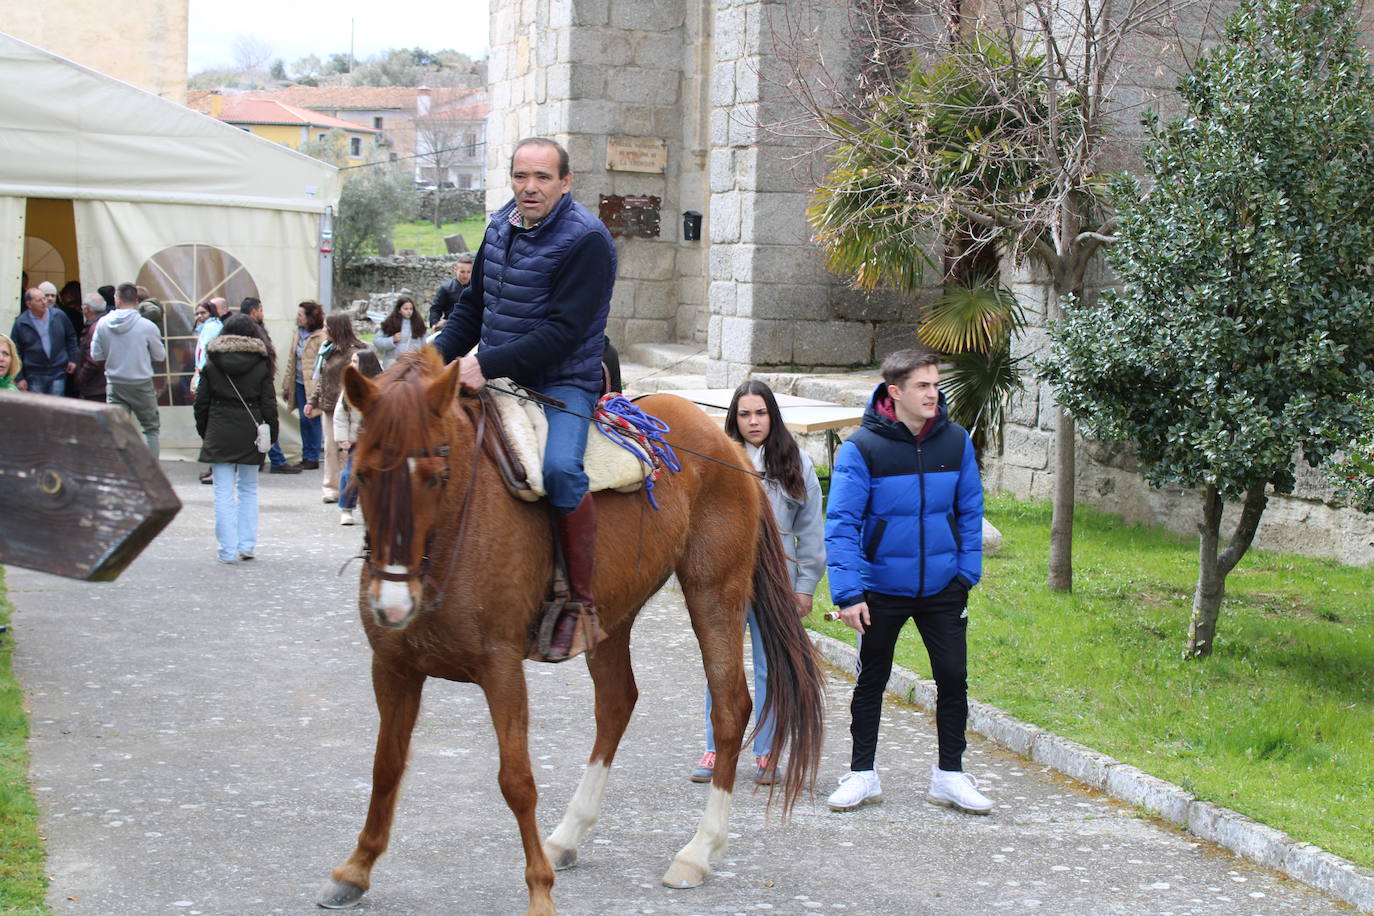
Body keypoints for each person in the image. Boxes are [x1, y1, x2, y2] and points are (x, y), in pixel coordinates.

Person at [433, 136, 617, 662]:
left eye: (541, 178)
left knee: (560, 470)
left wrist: (482, 365)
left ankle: (579, 603)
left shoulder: (588, 241)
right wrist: (432, 361)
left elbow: (562, 332)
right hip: (495, 373)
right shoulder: (498, 226)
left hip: (562, 382)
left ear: (566, 182)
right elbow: (472, 309)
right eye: (520, 176)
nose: (529, 188)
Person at [823, 348, 992, 815]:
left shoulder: (955, 441)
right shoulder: (862, 448)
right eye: (922, 385)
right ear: (894, 392)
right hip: (881, 589)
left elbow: (970, 512)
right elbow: (840, 523)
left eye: (936, 384)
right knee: (871, 680)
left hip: (943, 587)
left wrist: (965, 575)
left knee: (953, 678)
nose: (933, 393)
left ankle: (950, 776)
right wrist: (850, 593)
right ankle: (861, 775)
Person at [690, 379, 824, 786]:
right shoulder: (718, 460)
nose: (753, 422)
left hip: (775, 585)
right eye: (744, 414)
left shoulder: (794, 462)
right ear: (734, 417)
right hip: (726, 582)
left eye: (760, 413)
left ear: (773, 416)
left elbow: (811, 529)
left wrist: (805, 586)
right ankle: (716, 745)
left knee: (770, 669)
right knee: (721, 665)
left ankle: (766, 752)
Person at [195, 313, 279, 564]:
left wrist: (205, 431)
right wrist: (271, 434)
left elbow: (201, 403)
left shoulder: (212, 363)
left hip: (219, 427)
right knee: (248, 489)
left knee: (222, 491)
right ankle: (247, 545)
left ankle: (227, 550)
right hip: (251, 427)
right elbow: (269, 404)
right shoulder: (262, 364)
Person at [92, 282, 166, 454]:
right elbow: (160, 356)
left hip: (115, 383)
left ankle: (122, 473)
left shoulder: (102, 324)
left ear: (117, 299)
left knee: (117, 431)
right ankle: (150, 474)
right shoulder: (147, 326)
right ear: (136, 300)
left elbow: (96, 355)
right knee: (150, 429)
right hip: (141, 383)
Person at [308, 311, 367, 504]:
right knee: (331, 449)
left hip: (351, 409)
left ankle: (352, 489)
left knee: (351, 450)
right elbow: (323, 379)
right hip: (329, 406)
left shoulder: (356, 352)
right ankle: (331, 488)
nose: (324, 330)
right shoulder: (327, 350)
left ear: (336, 328)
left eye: (327, 326)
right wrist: (312, 401)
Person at [334, 349, 383, 526]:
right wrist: (342, 439)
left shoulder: (381, 387)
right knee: (350, 474)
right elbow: (340, 416)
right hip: (356, 441)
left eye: (355, 362)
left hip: (377, 442)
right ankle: (346, 508)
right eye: (351, 361)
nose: (351, 365)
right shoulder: (349, 387)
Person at [280, 300, 326, 473]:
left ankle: (313, 457)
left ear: (309, 318)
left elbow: (323, 364)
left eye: (300, 315)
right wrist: (287, 385)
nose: (297, 318)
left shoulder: (320, 337)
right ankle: (305, 455)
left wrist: (320, 387)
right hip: (298, 383)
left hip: (312, 385)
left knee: (312, 419)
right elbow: (292, 361)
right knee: (303, 420)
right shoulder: (297, 334)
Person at [10, 287, 78, 394]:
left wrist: (73, 359)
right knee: (38, 408)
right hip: (34, 374)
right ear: (29, 304)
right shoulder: (21, 323)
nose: (44, 302)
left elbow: (71, 337)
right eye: (39, 300)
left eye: (44, 298)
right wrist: (19, 378)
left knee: (56, 406)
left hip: (58, 371)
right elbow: (15, 352)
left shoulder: (59, 315)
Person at [73, 293, 110, 401]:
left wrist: (80, 379)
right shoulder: (108, 323)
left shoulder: (94, 328)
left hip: (95, 386)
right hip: (106, 383)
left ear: (86, 309)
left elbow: (93, 360)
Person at [373, 295, 427, 368]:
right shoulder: (390, 323)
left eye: (411, 309)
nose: (409, 311)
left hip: (413, 365)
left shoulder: (419, 324)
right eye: (405, 309)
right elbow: (377, 341)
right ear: (399, 310)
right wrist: (392, 340)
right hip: (392, 365)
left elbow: (425, 344)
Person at [429, 252, 474, 330]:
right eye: (462, 272)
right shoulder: (446, 288)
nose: (465, 275)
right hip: (451, 327)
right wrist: (435, 324)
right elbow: (435, 309)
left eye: (468, 272)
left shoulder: (476, 288)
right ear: (455, 270)